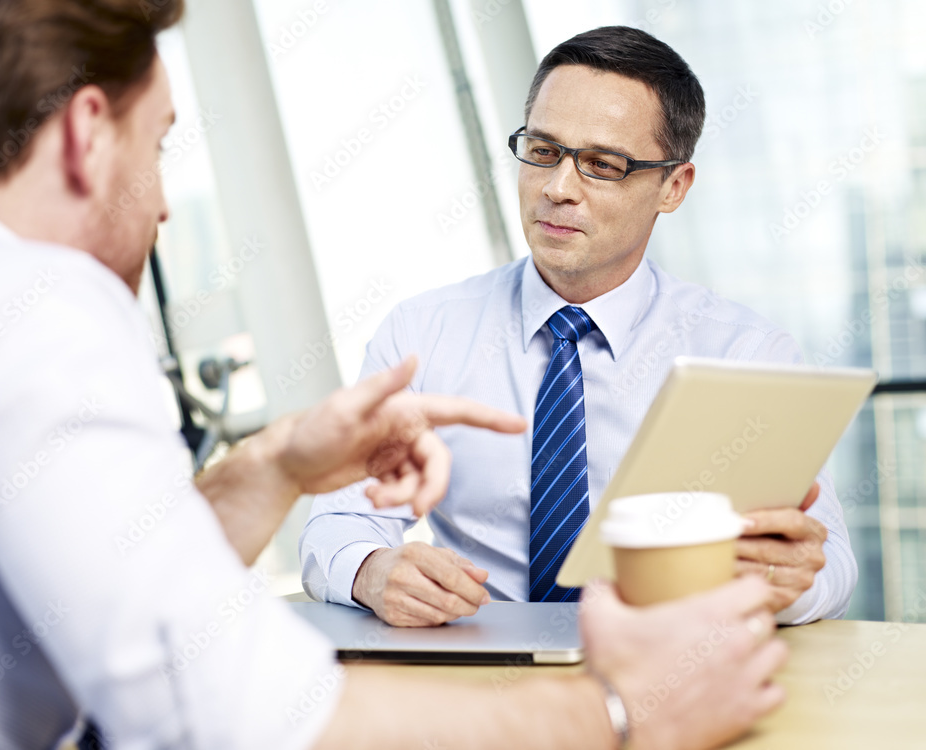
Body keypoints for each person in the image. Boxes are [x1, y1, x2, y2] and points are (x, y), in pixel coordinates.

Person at [0, 2, 789, 748]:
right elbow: (216, 709)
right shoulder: (36, 310)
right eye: (158, 144)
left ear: (673, 185)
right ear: (83, 134)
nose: (159, 204)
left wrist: (275, 466)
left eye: (601, 163)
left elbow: (108, 593)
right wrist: (618, 713)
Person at [300, 25, 857, 627]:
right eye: (543, 152)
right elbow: (337, 521)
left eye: (601, 165)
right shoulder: (423, 334)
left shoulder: (745, 354)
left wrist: (790, 581)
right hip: (478, 679)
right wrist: (373, 571)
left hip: (672, 672)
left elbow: (831, 565)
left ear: (673, 186)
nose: (558, 189)